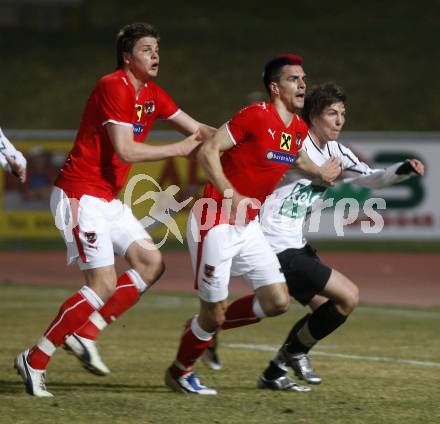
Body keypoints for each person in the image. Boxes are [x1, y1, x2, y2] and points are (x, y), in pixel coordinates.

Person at [14, 22, 214, 397]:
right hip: (79, 195)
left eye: (157, 49)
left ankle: (86, 334)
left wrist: (235, 140)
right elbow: (127, 150)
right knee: (102, 284)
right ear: (127, 57)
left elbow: (198, 130)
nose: (155, 55)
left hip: (106, 199)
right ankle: (35, 359)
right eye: (146, 50)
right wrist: (179, 149)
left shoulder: (153, 93)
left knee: (152, 263)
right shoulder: (113, 86)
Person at [202, 82, 425, 390]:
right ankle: (285, 354)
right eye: (332, 113)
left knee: (327, 308)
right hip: (272, 241)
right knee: (348, 295)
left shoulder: (337, 152)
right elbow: (262, 159)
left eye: (343, 114)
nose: (339, 120)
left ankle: (269, 367)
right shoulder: (292, 142)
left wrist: (403, 169)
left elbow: (373, 179)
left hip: (297, 245)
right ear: (313, 116)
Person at [164, 55, 341, 395]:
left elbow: (297, 157)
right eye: (293, 79)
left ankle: (200, 327)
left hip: (247, 225)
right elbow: (208, 151)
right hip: (213, 217)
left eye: (303, 78)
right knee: (213, 314)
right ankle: (179, 371)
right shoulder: (255, 116)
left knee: (278, 300)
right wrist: (230, 193)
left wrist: (319, 172)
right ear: (275, 88)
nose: (303, 84)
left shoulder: (297, 128)